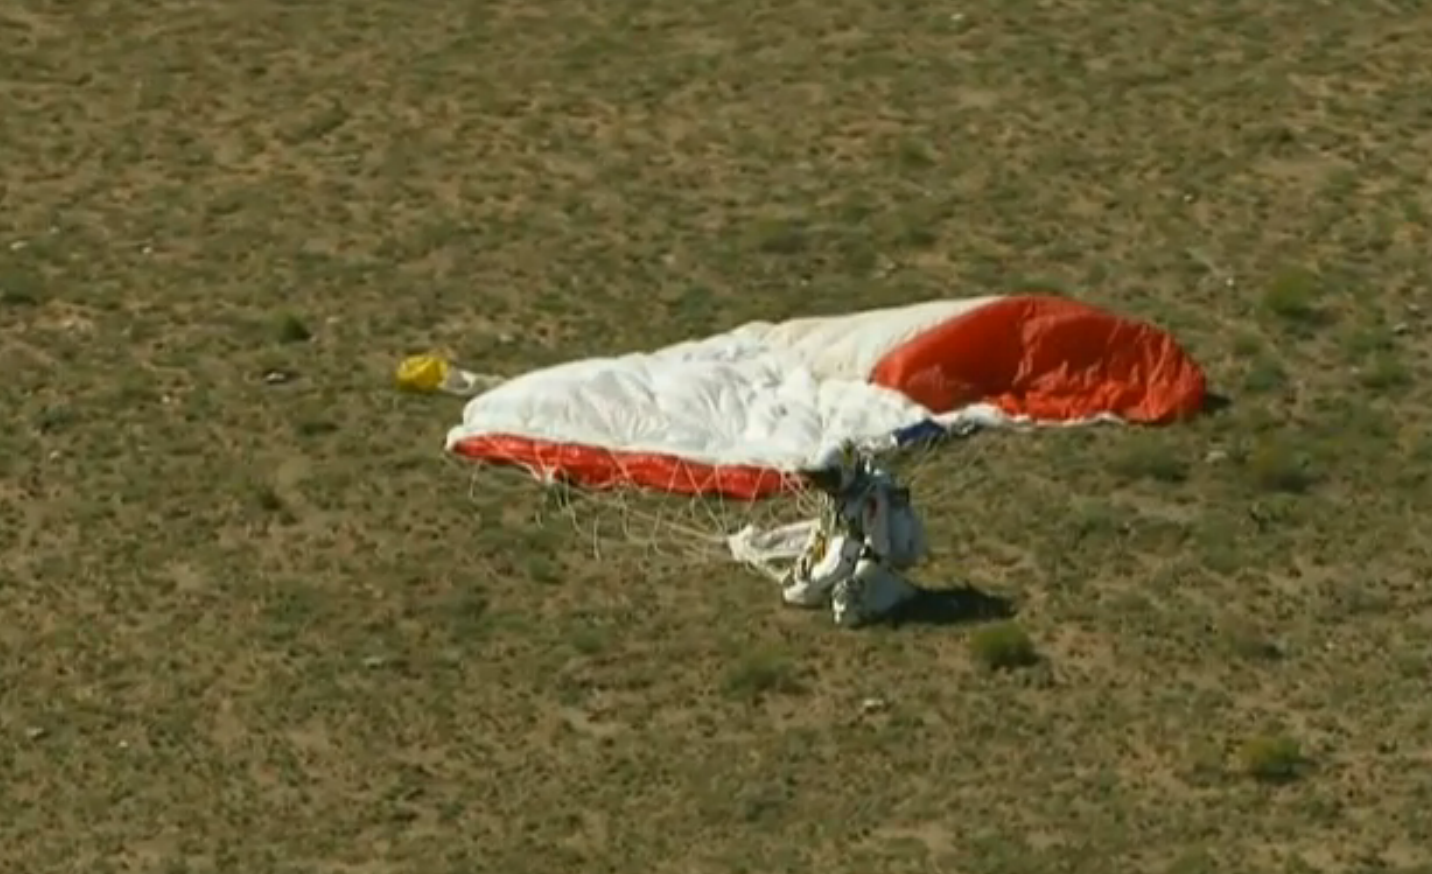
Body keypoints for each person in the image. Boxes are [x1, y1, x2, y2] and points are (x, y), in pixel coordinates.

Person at [779, 441, 928, 627]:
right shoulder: (829, 496)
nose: (824, 485)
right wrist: (807, 556)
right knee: (798, 592)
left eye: (827, 478)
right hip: (848, 554)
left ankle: (897, 591)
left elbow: (878, 548)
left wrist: (857, 581)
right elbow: (823, 529)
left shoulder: (870, 497)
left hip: (875, 562)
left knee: (845, 608)